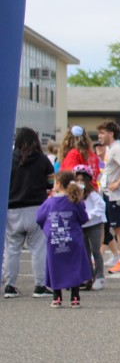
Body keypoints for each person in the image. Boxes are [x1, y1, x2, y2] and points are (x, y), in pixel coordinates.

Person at [3, 127, 54, 298]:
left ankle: (9, 286)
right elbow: (51, 183)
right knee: (38, 249)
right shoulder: (42, 159)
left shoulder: (8, 158)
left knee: (12, 248)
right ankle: (40, 286)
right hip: (36, 208)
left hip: (12, 209)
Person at [36, 170, 90, 308]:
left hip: (55, 240)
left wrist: (47, 228)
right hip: (73, 240)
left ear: (59, 184)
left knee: (55, 267)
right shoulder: (75, 201)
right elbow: (84, 218)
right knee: (74, 266)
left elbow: (39, 217)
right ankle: (75, 297)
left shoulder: (50, 202)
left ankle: (57, 297)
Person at [97, 121, 120, 274]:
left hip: (115, 195)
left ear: (111, 133)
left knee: (118, 227)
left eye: (102, 133)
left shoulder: (117, 148)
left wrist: (118, 182)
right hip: (108, 194)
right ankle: (108, 257)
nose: (99, 136)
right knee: (106, 227)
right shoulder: (110, 149)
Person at [73, 165, 106, 291]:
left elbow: (101, 206)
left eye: (82, 180)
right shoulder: (76, 195)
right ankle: (88, 276)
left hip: (94, 225)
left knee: (95, 250)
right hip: (82, 226)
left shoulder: (92, 194)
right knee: (85, 252)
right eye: (77, 180)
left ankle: (99, 276)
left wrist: (88, 216)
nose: (80, 183)